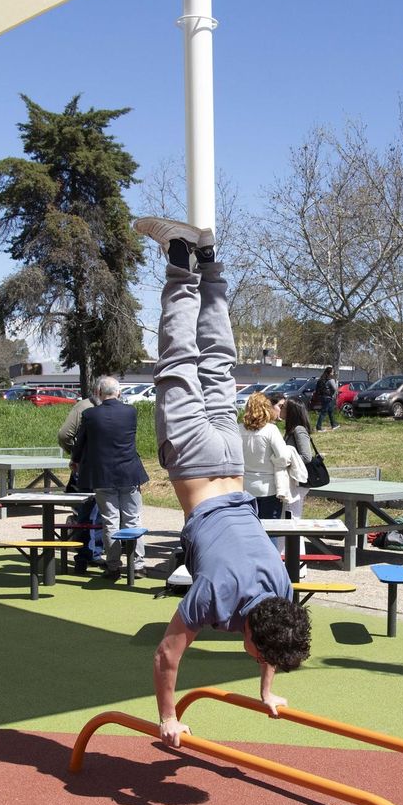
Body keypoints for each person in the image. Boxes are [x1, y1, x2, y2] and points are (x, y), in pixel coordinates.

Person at [139, 216, 311, 749]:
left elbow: (275, 634)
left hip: (231, 462)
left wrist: (267, 690)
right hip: (194, 462)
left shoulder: (283, 593)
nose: (259, 659)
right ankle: (179, 256)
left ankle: (210, 263)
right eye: (261, 656)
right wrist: (168, 718)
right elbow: (167, 654)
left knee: (217, 365)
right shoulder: (215, 592)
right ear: (254, 636)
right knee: (179, 361)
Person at [72, 375, 149, 580]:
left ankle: (113, 566)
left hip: (103, 474)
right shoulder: (130, 412)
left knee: (110, 521)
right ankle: (138, 565)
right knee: (133, 519)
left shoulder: (90, 415)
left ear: (98, 393)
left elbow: (80, 443)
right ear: (119, 392)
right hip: (129, 472)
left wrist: (75, 460)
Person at [57, 386, 104, 573]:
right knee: (88, 512)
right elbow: (64, 435)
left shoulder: (94, 407)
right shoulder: (84, 406)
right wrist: (77, 454)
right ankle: (86, 555)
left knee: (97, 513)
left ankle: (93, 553)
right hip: (90, 468)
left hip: (98, 468)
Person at [241, 392, 294, 519]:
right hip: (268, 488)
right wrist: (274, 458)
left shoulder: (238, 429)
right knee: (270, 528)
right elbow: (284, 457)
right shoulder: (271, 430)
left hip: (245, 486)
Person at [282, 399, 318, 519]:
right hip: (293, 480)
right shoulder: (291, 430)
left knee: (292, 515)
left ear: (290, 411)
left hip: (297, 481)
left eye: (283, 407)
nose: (280, 409)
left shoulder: (299, 430)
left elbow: (306, 456)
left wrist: (288, 462)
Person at [312, 366, 338, 431]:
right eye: (332, 372)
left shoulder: (321, 379)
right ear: (330, 372)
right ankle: (318, 427)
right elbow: (335, 388)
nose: (333, 373)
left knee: (330, 411)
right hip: (328, 397)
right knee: (323, 412)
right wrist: (336, 383)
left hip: (322, 397)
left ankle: (334, 425)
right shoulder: (330, 380)